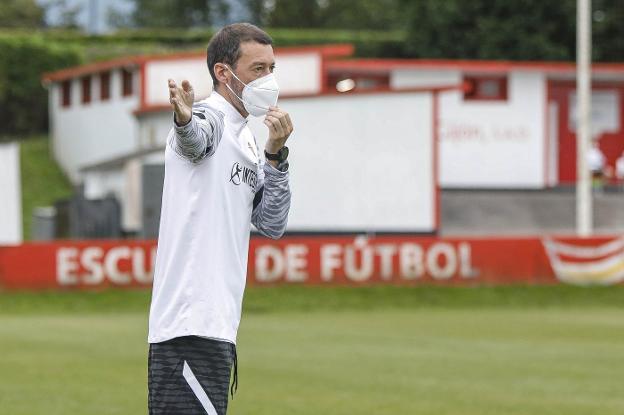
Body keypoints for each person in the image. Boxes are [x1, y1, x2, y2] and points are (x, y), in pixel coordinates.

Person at [147, 23, 293, 415]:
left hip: (219, 325)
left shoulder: (246, 138)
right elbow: (194, 140)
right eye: (258, 69)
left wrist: (276, 155)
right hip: (188, 321)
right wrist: (183, 120)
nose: (270, 80)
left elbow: (271, 224)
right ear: (223, 73)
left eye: (272, 68)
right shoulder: (209, 117)